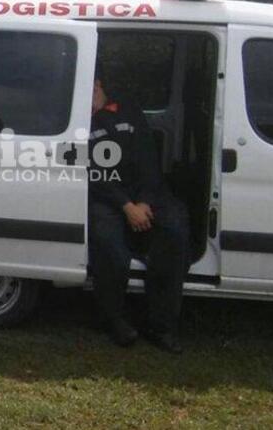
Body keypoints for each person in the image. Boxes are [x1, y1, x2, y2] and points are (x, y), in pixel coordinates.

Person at [88, 69, 190, 354]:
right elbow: (93, 172)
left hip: (145, 193)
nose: (89, 96)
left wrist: (143, 202)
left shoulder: (128, 109)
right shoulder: (80, 120)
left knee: (174, 231)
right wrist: (126, 206)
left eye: (92, 87)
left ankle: (161, 326)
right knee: (110, 249)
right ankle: (112, 319)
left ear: (99, 83)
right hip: (106, 196)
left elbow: (148, 157)